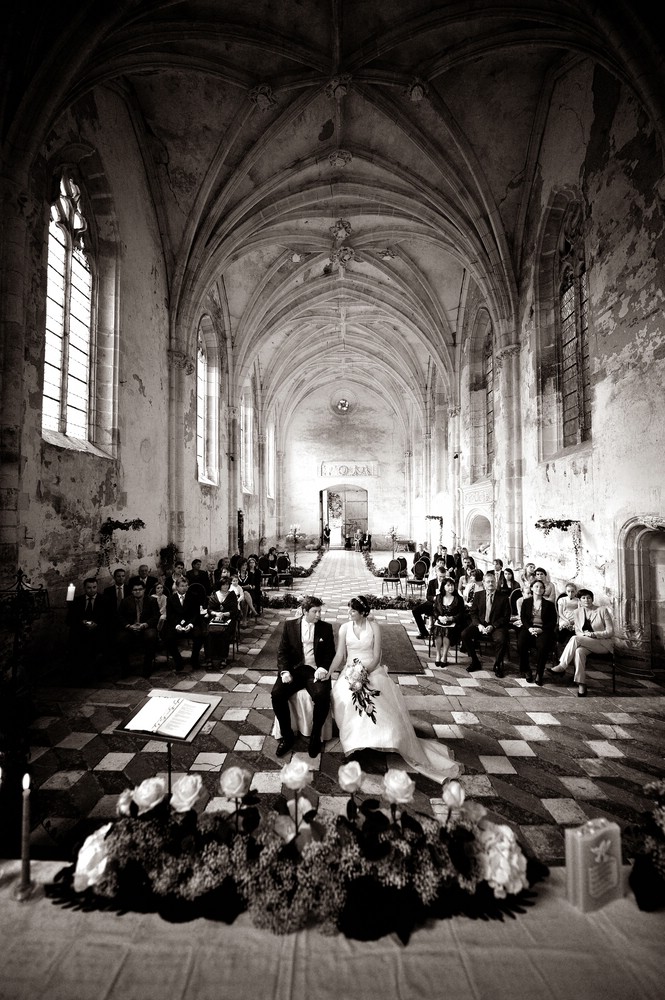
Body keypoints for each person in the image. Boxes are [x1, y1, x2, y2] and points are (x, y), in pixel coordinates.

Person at [330, 595, 460, 782]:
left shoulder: (374, 627)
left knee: (377, 699)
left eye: (352, 611)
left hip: (372, 670)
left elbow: (376, 657)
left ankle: (379, 741)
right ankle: (354, 745)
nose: (348, 613)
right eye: (348, 610)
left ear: (363, 612)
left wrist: (365, 673)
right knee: (345, 696)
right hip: (350, 671)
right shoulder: (344, 628)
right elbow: (340, 655)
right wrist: (329, 671)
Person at [271, 595, 335, 759]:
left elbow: (330, 654)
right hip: (295, 670)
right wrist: (284, 671)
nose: (319, 615)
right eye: (315, 612)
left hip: (314, 671)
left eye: (320, 611)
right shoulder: (290, 626)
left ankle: (315, 736)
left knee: (322, 695)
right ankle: (287, 737)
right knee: (277, 694)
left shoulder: (326, 628)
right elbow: (282, 652)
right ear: (304, 611)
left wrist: (323, 668)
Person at [548, 590, 614, 697]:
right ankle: (581, 685)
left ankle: (562, 666)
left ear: (592, 599)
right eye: (583, 598)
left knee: (575, 639)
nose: (586, 600)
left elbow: (610, 632)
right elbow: (578, 631)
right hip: (586, 643)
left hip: (603, 644)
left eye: (588, 597)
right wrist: (584, 636)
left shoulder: (602, 610)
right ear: (579, 600)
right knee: (579, 652)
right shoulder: (577, 612)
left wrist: (593, 634)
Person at [461, 571, 510, 676]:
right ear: (483, 583)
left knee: (501, 639)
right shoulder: (478, 595)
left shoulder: (503, 598)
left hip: (496, 626)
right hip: (481, 625)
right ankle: (475, 661)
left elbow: (506, 617)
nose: (491, 584)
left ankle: (497, 664)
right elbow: (473, 613)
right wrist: (479, 625)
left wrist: (493, 626)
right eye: (488, 582)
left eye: (493, 581)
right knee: (465, 634)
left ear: (496, 583)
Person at [517, 579, 557, 685]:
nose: (539, 589)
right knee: (521, 643)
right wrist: (529, 628)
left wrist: (542, 629)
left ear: (544, 590)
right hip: (529, 628)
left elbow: (553, 621)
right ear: (531, 588)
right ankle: (526, 670)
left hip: (543, 629)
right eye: (536, 586)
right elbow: (523, 618)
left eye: (541, 587)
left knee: (543, 646)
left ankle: (539, 673)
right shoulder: (526, 602)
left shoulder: (549, 604)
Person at [163, 578, 207, 672]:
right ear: (177, 587)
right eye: (182, 586)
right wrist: (177, 625)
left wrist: (190, 624)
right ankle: (178, 660)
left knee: (199, 635)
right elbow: (170, 615)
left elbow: (196, 614)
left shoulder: (194, 597)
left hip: (190, 623)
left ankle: (194, 659)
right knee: (168, 637)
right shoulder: (171, 599)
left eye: (186, 585)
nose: (184, 588)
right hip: (177, 624)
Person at [116, 581, 159, 676]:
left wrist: (145, 624)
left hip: (146, 627)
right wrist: (128, 626)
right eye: (135, 590)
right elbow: (120, 616)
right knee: (120, 638)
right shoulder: (125, 601)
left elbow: (156, 616)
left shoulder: (152, 600)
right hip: (131, 627)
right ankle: (125, 668)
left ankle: (147, 666)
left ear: (144, 590)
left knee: (151, 636)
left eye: (140, 589)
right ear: (131, 591)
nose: (138, 591)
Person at [67, 577, 106, 670]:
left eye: (94, 587)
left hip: (98, 630)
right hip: (81, 630)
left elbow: (109, 618)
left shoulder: (105, 600)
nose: (92, 590)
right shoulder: (78, 601)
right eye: (89, 588)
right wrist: (81, 622)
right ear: (84, 588)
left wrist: (96, 624)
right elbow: (69, 619)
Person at [207, 573, 240, 666]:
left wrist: (224, 614)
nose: (225, 586)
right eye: (223, 584)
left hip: (228, 618)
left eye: (227, 585)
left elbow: (234, 610)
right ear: (220, 585)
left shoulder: (232, 595)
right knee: (209, 632)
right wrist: (216, 614)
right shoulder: (214, 594)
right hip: (215, 618)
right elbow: (209, 609)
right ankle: (210, 658)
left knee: (224, 632)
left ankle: (223, 658)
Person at [432, 577, 465, 667]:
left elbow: (461, 614)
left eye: (452, 585)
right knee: (438, 631)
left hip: (453, 624)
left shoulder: (459, 599)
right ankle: (438, 654)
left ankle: (444, 655)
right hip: (440, 621)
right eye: (448, 585)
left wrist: (451, 618)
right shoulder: (439, 597)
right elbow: (434, 610)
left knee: (447, 631)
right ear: (443, 587)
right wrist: (439, 617)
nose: (451, 587)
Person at [411, 561, 448, 640]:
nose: (442, 578)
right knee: (415, 610)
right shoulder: (432, 582)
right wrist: (434, 598)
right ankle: (424, 632)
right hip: (431, 603)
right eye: (440, 576)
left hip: (443, 605)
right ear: (437, 575)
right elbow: (428, 596)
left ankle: (439, 634)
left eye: (444, 577)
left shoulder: (448, 583)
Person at [556, 582, 579, 648]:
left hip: (575, 618)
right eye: (568, 591)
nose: (570, 593)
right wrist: (567, 620)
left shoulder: (578, 601)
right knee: (564, 628)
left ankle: (571, 645)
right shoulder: (562, 600)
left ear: (575, 592)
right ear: (566, 591)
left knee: (575, 629)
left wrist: (574, 621)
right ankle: (562, 644)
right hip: (564, 618)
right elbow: (560, 613)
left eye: (572, 591)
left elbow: (579, 612)